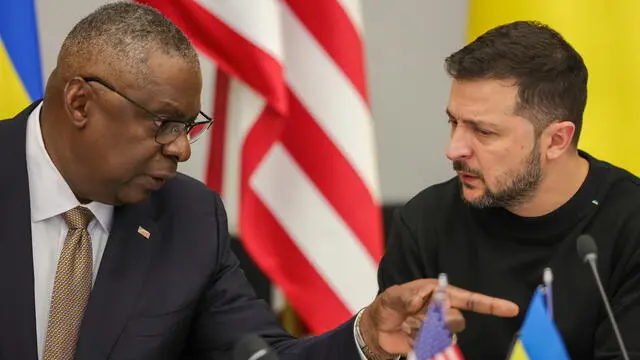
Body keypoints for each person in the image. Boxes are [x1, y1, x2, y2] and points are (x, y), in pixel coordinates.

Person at [0, 3, 521, 360]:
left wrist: (366, 337)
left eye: (190, 127)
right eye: (163, 124)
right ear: (80, 103)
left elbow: (261, 354)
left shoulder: (188, 219)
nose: (181, 149)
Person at [377, 20, 640, 360]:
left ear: (556, 140)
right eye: (454, 123)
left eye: (484, 132)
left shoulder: (630, 226)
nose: (453, 149)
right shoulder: (425, 223)